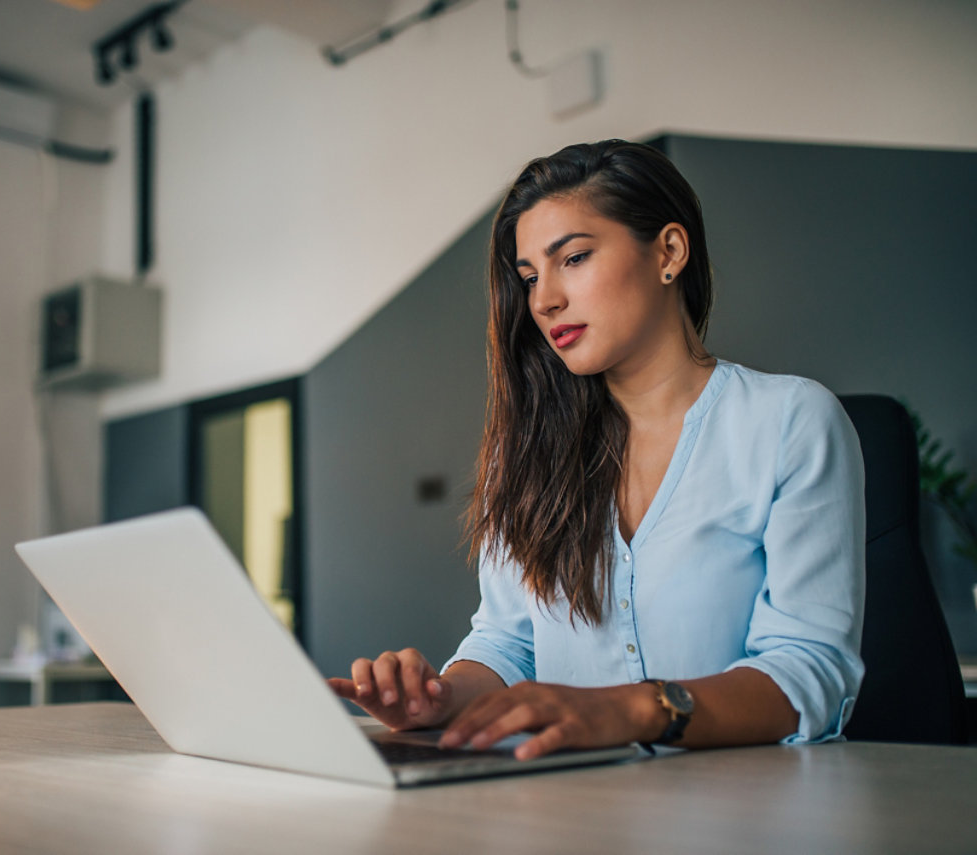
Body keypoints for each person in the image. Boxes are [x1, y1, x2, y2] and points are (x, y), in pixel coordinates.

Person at [327, 139, 865, 759]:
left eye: (574, 258)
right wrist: (442, 699)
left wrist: (631, 709)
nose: (543, 300)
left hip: (746, 816)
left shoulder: (789, 421)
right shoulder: (528, 454)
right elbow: (509, 643)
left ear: (669, 251)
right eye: (529, 277)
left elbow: (810, 669)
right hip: (574, 807)